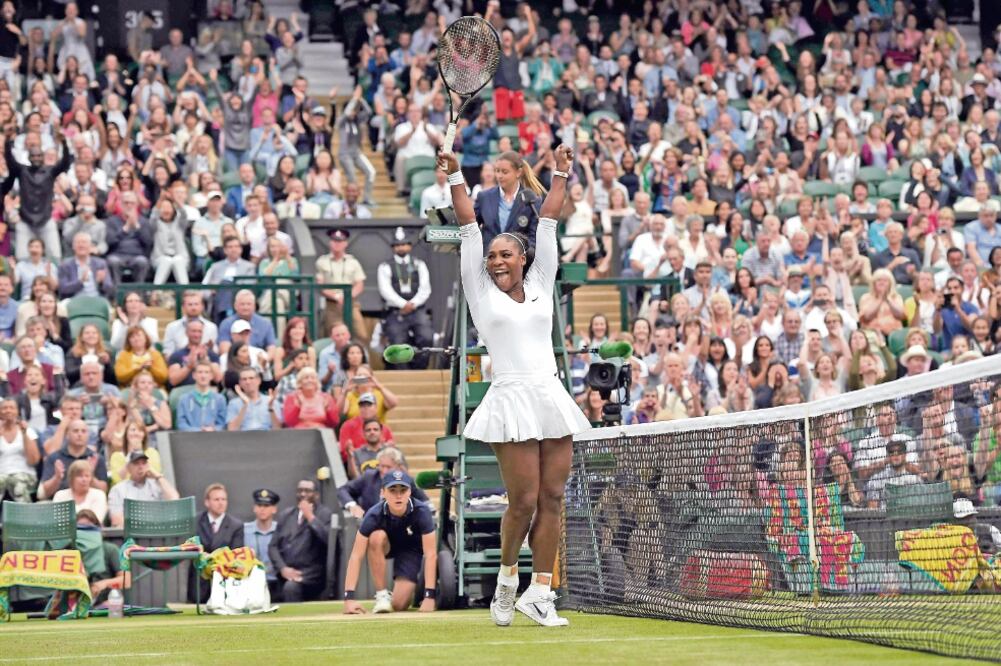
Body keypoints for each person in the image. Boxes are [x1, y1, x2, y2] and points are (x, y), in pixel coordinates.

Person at [439, 145, 588, 627]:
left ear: (523, 258)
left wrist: (562, 171)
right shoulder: (479, 289)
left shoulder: (544, 277)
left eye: (506, 254)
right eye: (493, 255)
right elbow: (467, 225)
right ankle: (507, 581)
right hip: (511, 397)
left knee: (553, 498)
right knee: (522, 501)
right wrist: (456, 174)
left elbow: (548, 217)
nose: (498, 261)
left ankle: (540, 593)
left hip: (549, 393)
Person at [343, 470, 436, 615]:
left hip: (411, 549)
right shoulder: (373, 515)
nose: (398, 495)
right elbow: (356, 555)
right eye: (392, 490)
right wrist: (349, 599)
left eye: (403, 490)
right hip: (386, 544)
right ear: (383, 493)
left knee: (399, 605)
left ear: (410, 492)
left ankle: (416, 590)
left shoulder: (422, 511)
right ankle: (382, 596)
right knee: (376, 537)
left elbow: (431, 554)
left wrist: (430, 596)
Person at [269, 479, 333, 602]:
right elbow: (273, 546)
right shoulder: (286, 515)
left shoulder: (324, 514)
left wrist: (310, 516)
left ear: (316, 495)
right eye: (300, 491)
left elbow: (327, 539)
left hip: (312, 574)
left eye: (308, 491)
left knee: (290, 587)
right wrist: (283, 568)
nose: (303, 494)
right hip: (284, 572)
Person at [377, 228, 433, 370]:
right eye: (397, 245)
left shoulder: (419, 264)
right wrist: (403, 304)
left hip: (417, 309)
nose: (401, 247)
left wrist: (413, 304)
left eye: (403, 244)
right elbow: (385, 290)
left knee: (426, 337)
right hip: (396, 311)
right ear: (393, 247)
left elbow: (425, 288)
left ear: (409, 245)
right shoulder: (385, 266)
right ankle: (402, 374)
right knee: (397, 342)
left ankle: (420, 370)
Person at [473, 151, 546, 250]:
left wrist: (519, 255)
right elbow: (471, 228)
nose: (499, 176)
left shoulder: (532, 200)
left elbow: (533, 239)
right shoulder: (484, 197)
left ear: (518, 172)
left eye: (505, 172)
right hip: (488, 260)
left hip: (519, 262)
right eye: (497, 171)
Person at [191, 483, 245, 603]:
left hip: (224, 575)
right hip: (200, 575)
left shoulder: (236, 525)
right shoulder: (195, 522)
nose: (221, 503)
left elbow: (235, 554)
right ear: (207, 502)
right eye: (216, 499)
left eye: (223, 499)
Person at [314, 229, 368, 343]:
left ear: (345, 243)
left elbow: (360, 284)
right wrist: (336, 296)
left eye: (340, 241)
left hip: (351, 303)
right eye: (334, 241)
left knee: (361, 334)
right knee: (332, 335)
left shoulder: (353, 262)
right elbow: (320, 285)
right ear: (330, 243)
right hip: (332, 305)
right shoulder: (322, 261)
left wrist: (347, 296)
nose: (337, 244)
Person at [338, 447, 428, 515]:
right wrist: (352, 506)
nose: (384, 471)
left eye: (388, 467)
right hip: (370, 527)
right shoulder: (369, 476)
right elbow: (343, 490)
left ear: (398, 467)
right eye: (381, 466)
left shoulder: (407, 480)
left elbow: (425, 502)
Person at [107, 450, 180, 527]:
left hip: (158, 530)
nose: (141, 467)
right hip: (131, 534)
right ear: (128, 467)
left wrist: (158, 477)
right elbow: (117, 521)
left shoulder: (157, 485)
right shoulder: (118, 489)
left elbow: (174, 498)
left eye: (144, 463)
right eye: (136, 463)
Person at [39, 418, 108, 499]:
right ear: (67, 435)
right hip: (60, 503)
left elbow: (103, 490)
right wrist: (57, 477)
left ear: (88, 435)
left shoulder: (96, 458)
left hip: (89, 504)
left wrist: (91, 475)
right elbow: (45, 492)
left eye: (83, 431)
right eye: (76, 431)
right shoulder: (54, 458)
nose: (79, 434)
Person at [0, 399, 41, 503]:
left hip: (24, 474)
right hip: (2, 474)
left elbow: (34, 460)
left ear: (17, 411)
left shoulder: (28, 431)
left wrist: (24, 434)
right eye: (5, 408)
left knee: (17, 483)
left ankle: (26, 517)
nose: (8, 410)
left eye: (11, 407)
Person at [339, 392, 396, 464]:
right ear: (359, 408)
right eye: (362, 406)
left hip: (381, 465)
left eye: (369, 405)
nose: (366, 408)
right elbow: (344, 453)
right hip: (355, 464)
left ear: (376, 407)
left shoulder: (384, 428)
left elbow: (392, 449)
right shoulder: (348, 425)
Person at [244, 488, 281, 597]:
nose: (262, 509)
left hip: (276, 581)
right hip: (250, 583)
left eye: (266, 506)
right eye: (259, 505)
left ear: (274, 509)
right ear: (254, 508)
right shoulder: (244, 530)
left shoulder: (281, 530)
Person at [57, 232, 115, 300]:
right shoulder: (65, 264)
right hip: (74, 301)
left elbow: (110, 290)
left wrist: (101, 283)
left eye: (84, 242)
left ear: (91, 246)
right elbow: (63, 289)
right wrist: (81, 282)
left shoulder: (101, 263)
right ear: (73, 246)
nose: (81, 245)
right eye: (78, 242)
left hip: (96, 299)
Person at [176, 361, 227, 432]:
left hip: (214, 438)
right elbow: (181, 424)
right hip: (190, 438)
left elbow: (222, 424)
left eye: (206, 372)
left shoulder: (220, 399)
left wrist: (213, 429)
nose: (203, 376)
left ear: (211, 376)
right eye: (200, 372)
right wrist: (198, 430)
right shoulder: (184, 399)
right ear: (194, 375)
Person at [53, 459, 108, 524]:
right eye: (80, 476)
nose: (84, 479)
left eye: (87, 476)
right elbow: (57, 521)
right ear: (71, 478)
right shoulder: (60, 495)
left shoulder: (99, 495)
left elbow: (97, 520)